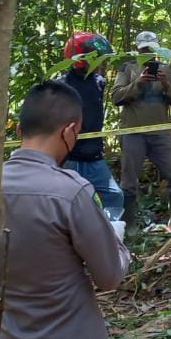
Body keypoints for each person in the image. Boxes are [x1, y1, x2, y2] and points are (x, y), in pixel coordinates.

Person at [0, 81, 130, 339]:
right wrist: (117, 243)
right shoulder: (70, 192)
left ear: (19, 131)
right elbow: (109, 276)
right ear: (69, 131)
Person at [111, 31, 171, 232]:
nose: (148, 53)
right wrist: (137, 83)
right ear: (138, 49)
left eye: (151, 49)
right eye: (144, 49)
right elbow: (116, 97)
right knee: (128, 182)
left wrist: (165, 84)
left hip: (160, 132)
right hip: (133, 132)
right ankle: (129, 225)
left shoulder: (166, 70)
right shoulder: (127, 68)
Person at [59, 31, 124, 213]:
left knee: (114, 195)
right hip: (72, 157)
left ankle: (110, 234)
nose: (99, 62)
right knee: (71, 201)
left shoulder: (98, 82)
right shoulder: (62, 85)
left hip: (94, 155)